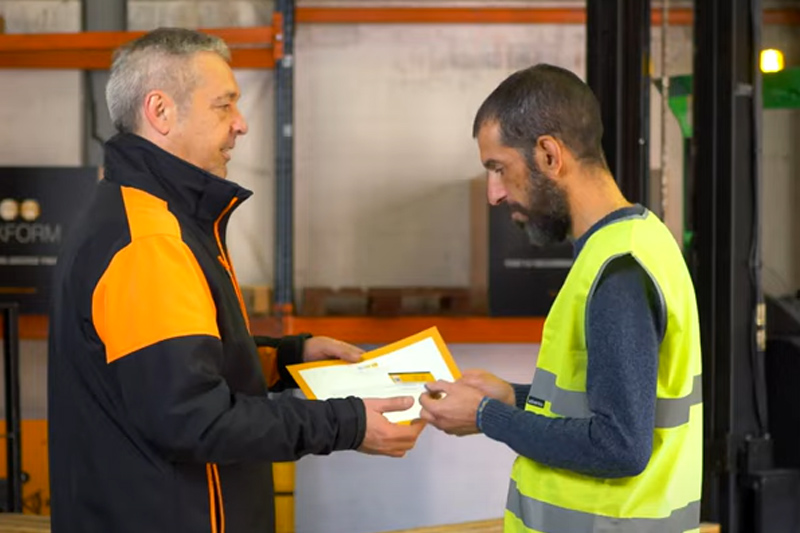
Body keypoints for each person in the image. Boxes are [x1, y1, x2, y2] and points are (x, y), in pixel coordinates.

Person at [47, 27, 423, 533]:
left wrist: (287, 359)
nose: (241, 124)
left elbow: (172, 368)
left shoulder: (150, 217)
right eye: (223, 105)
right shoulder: (150, 242)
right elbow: (194, 418)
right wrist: (347, 424)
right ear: (160, 111)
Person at [419, 64, 702, 532]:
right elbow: (610, 406)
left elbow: (619, 446)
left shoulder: (618, 271)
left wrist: (487, 416)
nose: (493, 194)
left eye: (499, 168)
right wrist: (514, 397)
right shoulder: (636, 240)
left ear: (549, 155)